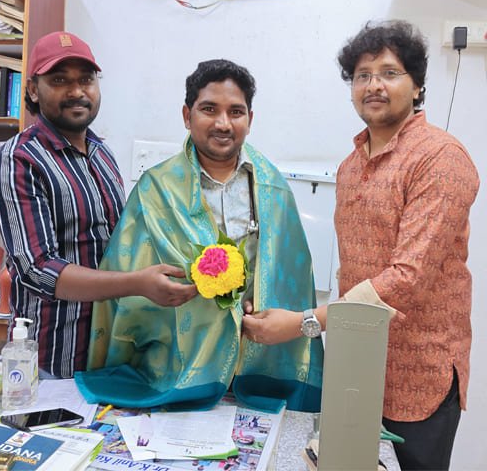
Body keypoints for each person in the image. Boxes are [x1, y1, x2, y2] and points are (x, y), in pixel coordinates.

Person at [242, 20, 479, 470]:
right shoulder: (351, 166)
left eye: (389, 73)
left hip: (417, 372)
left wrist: (303, 323)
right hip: (356, 365)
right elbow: (353, 269)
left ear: (417, 86)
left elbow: (406, 279)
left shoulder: (440, 158)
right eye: (362, 75)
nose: (373, 85)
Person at [74, 59, 324, 412]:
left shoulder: (273, 188)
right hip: (174, 369)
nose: (223, 123)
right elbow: (127, 284)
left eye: (235, 112)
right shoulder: (156, 189)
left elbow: (290, 280)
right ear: (186, 115)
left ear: (250, 119)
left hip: (253, 371)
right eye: (209, 109)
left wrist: (257, 301)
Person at [0, 31, 197, 379]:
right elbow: (39, 269)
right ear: (33, 89)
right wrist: (137, 283)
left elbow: (122, 244)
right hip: (54, 361)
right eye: (59, 80)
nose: (77, 91)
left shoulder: (101, 154)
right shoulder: (18, 161)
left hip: (112, 349)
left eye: (86, 79)